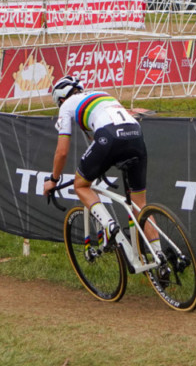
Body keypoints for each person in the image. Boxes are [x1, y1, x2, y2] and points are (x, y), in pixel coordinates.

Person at [41, 75, 153, 247]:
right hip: (136, 134)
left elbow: (62, 152)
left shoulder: (67, 106)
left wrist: (54, 179)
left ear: (62, 99)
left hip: (110, 136)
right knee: (140, 205)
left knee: (80, 185)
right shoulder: (103, 94)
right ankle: (160, 257)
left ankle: (110, 226)